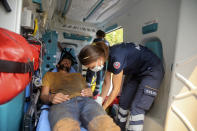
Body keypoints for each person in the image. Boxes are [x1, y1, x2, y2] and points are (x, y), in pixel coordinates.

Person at [78, 42, 164, 131]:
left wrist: (103, 109)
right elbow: (106, 84)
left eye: (92, 66)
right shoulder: (104, 60)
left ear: (98, 58)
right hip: (136, 73)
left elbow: (116, 89)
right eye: (90, 68)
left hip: (152, 70)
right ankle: (119, 128)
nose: (92, 69)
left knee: (137, 107)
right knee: (123, 102)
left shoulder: (116, 58)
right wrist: (98, 103)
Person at [40, 54, 120, 131]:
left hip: (86, 102)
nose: (67, 62)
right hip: (62, 102)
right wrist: (51, 97)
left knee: (105, 125)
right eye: (64, 61)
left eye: (69, 62)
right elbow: (43, 96)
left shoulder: (78, 76)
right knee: (64, 126)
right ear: (57, 65)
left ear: (71, 67)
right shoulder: (49, 75)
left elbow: (88, 93)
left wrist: (90, 93)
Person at [86, 30, 109, 96]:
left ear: (97, 35)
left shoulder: (95, 41)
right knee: (100, 74)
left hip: (95, 59)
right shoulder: (107, 42)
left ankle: (88, 86)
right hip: (104, 61)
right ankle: (97, 89)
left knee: (91, 72)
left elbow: (91, 49)